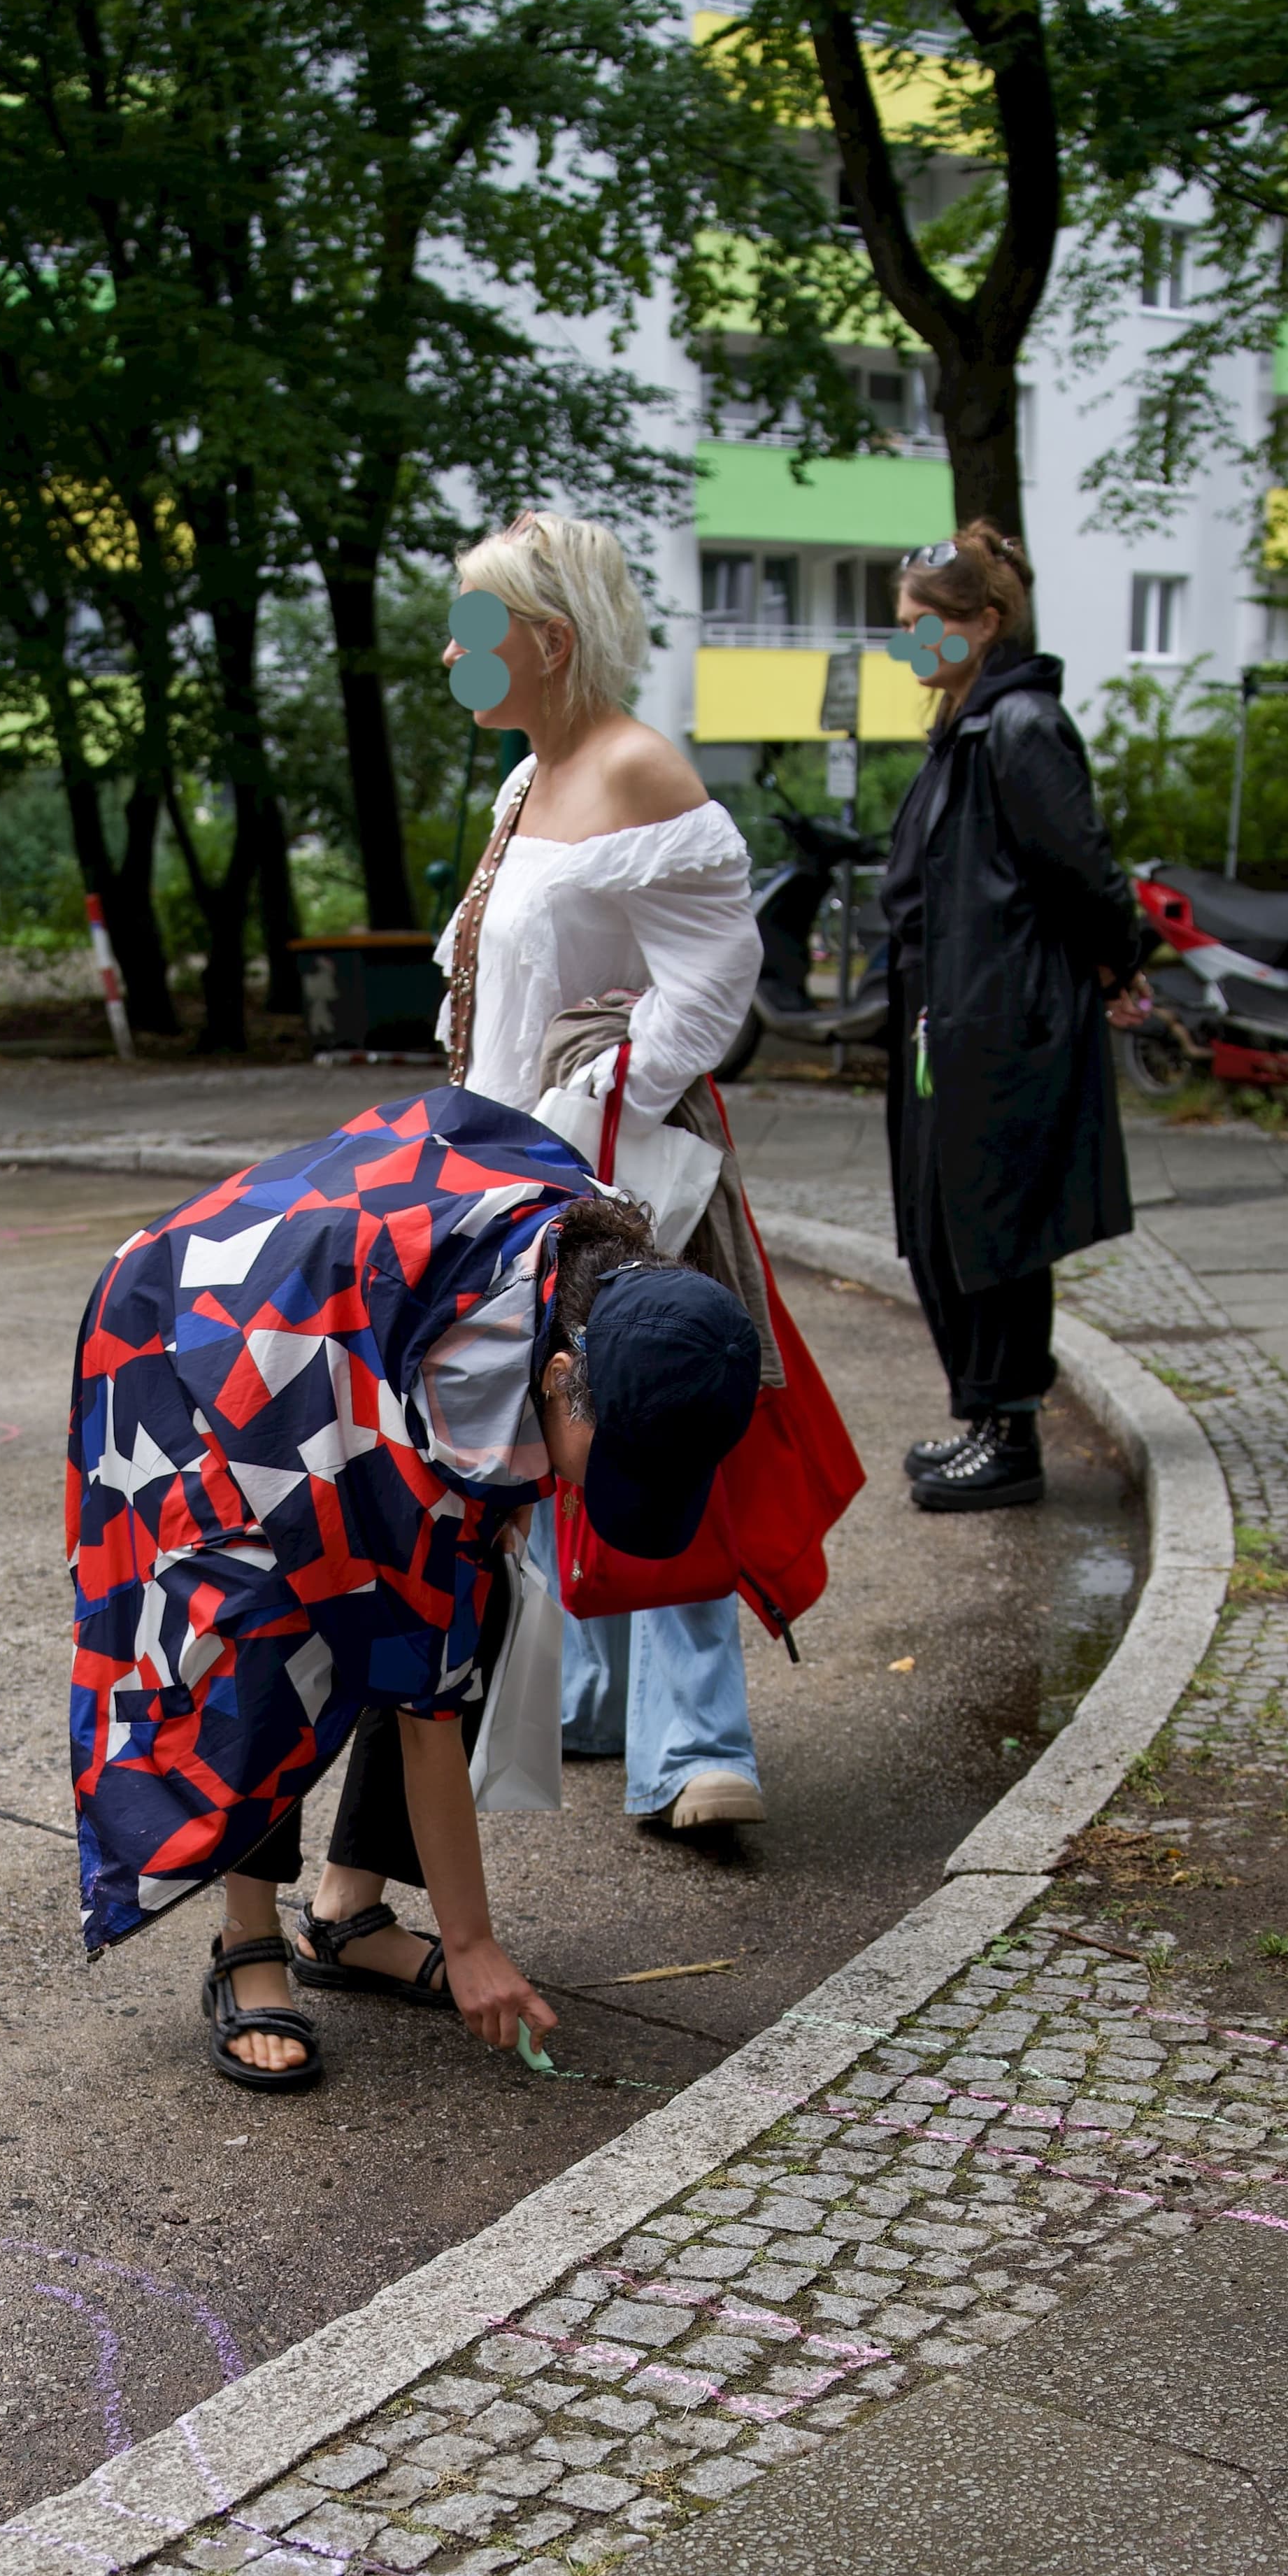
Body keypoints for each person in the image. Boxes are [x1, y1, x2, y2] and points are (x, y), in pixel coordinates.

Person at [69, 1088, 761, 2091]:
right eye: (605, 1462)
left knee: (467, 1594)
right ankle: (247, 1939)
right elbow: (422, 1696)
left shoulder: (603, 1270)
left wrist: (511, 1488)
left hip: (358, 1317)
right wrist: (474, 1943)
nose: (588, 1490)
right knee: (269, 1622)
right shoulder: (450, 1386)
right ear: (563, 1374)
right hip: (198, 1336)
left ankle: (347, 1913)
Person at [434, 510, 769, 1842]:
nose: (453, 655)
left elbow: (713, 983)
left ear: (550, 640)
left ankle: (695, 1748)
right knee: (539, 1424)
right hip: (511, 1163)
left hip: (614, 1179)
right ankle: (580, 1697)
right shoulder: (524, 782)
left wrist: (592, 1110)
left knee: (647, 1412)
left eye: (473, 629)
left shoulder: (639, 770)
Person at [878, 525, 1152, 1513]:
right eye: (902, 627)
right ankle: (985, 1420)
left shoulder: (1020, 725)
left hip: (999, 1021)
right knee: (947, 1226)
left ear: (984, 622)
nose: (908, 645)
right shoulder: (968, 724)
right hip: (950, 1018)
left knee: (993, 1229)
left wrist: (1121, 962)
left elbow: (1083, 867)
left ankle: (1010, 1434)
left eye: (926, 626)